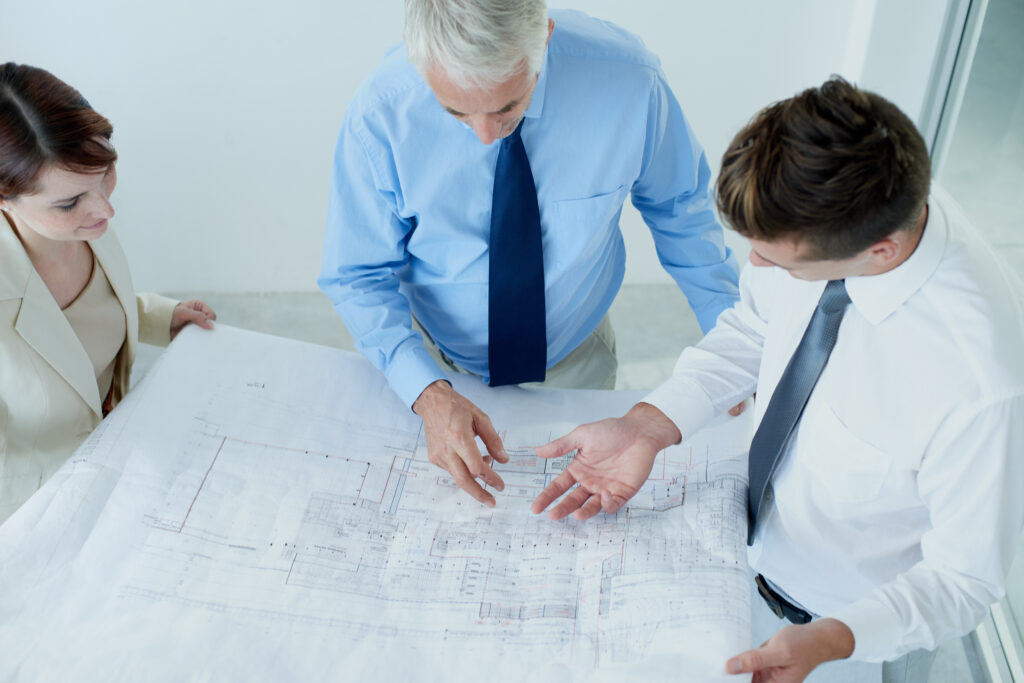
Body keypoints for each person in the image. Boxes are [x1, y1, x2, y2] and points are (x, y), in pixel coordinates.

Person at [530, 77, 1024, 682]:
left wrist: (828, 643)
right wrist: (648, 425)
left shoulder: (978, 386)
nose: (756, 266)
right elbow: (755, 327)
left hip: (845, 641)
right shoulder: (849, 200)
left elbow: (964, 579)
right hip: (737, 569)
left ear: (882, 253)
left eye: (780, 261)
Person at [318, 0, 740, 508]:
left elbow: (679, 208)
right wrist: (426, 390)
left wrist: (734, 345)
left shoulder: (630, 82)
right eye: (455, 112)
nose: (484, 134)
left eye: (506, 108)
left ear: (543, 39)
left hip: (576, 355)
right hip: (431, 357)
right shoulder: (381, 112)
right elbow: (359, 275)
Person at [0, 63, 217, 523]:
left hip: (116, 462)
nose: (105, 209)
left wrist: (161, 316)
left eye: (106, 175)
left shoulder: (83, 224)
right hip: (33, 511)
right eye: (69, 201)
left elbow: (81, 321)